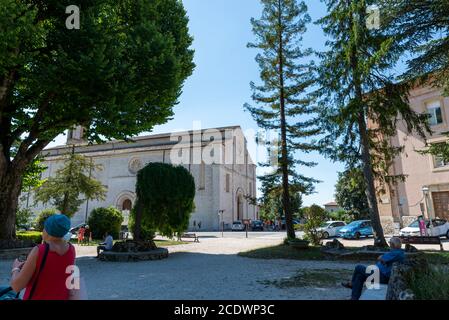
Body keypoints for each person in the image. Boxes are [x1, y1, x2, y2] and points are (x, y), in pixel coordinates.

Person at [9, 214, 76, 300]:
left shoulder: (39, 250)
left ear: (47, 231)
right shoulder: (71, 250)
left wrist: (15, 269)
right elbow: (73, 281)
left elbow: (16, 286)